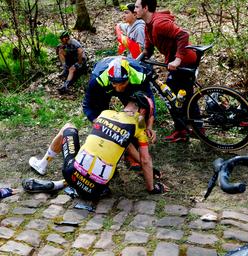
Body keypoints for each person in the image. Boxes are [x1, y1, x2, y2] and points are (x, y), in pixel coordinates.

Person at [23, 91, 169, 200]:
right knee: (96, 166)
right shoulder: (137, 129)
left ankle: (44, 166)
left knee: (68, 127)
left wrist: (148, 168)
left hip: (71, 173)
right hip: (98, 189)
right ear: (142, 111)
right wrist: (152, 188)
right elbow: (144, 159)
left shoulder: (105, 113)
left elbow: (126, 145)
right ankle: (59, 184)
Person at [134, 0, 198, 142]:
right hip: (177, 61)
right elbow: (148, 49)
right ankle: (186, 129)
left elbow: (183, 35)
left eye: (137, 7)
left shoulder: (159, 23)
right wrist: (135, 60)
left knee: (174, 96)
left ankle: (189, 129)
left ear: (145, 8)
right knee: (180, 96)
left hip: (185, 60)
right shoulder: (148, 25)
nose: (135, 10)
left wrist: (178, 60)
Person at [82, 55, 157, 170]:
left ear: (129, 77)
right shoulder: (97, 80)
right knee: (102, 119)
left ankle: (133, 151)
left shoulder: (139, 75)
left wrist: (149, 125)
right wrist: (95, 120)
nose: (118, 88)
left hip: (130, 87)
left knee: (137, 111)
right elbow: (87, 105)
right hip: (104, 86)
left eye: (122, 83)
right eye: (115, 84)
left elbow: (149, 102)